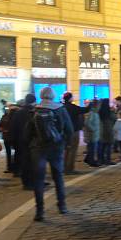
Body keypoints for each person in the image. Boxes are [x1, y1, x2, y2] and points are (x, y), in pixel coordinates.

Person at [25, 87, 73, 221]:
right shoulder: (60, 109)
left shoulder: (34, 110)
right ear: (53, 96)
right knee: (58, 176)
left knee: (39, 180)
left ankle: (39, 211)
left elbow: (27, 132)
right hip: (56, 147)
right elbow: (69, 129)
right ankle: (62, 205)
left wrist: (30, 145)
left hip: (38, 148)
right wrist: (65, 143)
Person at [10, 94, 37, 189]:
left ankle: (27, 182)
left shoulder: (18, 113)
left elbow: (13, 127)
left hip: (20, 140)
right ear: (34, 102)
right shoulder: (33, 112)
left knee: (24, 161)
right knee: (31, 162)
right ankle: (30, 182)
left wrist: (13, 141)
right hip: (31, 140)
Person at [62, 92, 86, 175]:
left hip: (64, 132)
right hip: (74, 131)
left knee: (66, 150)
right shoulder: (73, 107)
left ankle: (64, 167)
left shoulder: (62, 107)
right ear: (70, 98)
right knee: (73, 150)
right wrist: (91, 105)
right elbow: (84, 110)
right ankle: (70, 169)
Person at [0, 105, 17, 173]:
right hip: (6, 137)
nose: (8, 109)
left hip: (13, 137)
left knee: (15, 152)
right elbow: (0, 126)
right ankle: (9, 167)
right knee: (8, 153)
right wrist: (2, 129)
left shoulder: (14, 116)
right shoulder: (4, 116)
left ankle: (14, 167)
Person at [83, 99, 101, 167]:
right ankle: (91, 161)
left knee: (91, 147)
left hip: (94, 134)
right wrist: (93, 129)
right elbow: (87, 123)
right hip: (92, 134)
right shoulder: (92, 113)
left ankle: (88, 159)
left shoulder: (95, 113)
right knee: (92, 148)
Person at [98, 100, 116, 166]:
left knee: (102, 146)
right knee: (109, 146)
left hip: (101, 131)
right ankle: (108, 160)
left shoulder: (99, 112)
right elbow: (114, 118)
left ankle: (101, 160)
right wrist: (113, 111)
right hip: (109, 130)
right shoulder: (109, 112)